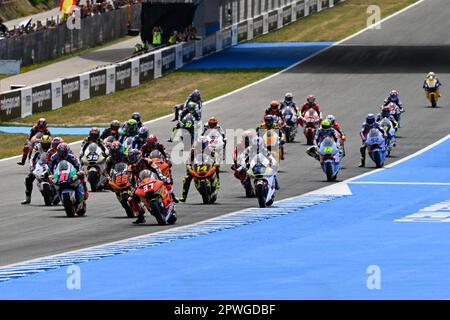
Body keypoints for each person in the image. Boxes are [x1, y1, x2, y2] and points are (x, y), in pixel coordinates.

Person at [179, 136, 220, 202]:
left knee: (217, 167)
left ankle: (217, 183)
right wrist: (188, 165)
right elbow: (188, 158)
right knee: (187, 177)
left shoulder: (210, 149)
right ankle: (184, 196)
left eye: (203, 145)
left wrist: (217, 162)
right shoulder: (193, 150)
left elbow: (216, 155)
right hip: (197, 165)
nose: (201, 147)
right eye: (199, 145)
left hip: (207, 164)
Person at [20, 135, 52, 205]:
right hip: (40, 164)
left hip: (51, 164)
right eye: (44, 144)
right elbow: (32, 157)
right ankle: (27, 198)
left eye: (47, 144)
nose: (46, 145)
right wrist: (31, 166)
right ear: (41, 143)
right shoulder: (37, 146)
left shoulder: (53, 147)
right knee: (28, 180)